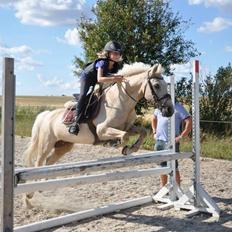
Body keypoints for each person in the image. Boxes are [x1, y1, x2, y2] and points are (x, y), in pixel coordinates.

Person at [69, 41, 125, 135]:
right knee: (83, 95)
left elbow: (109, 77)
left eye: (118, 53)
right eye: (115, 53)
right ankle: (76, 123)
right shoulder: (102, 62)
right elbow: (100, 78)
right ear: (108, 53)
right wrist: (115, 78)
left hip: (98, 78)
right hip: (87, 77)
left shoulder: (115, 65)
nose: (117, 55)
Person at [151, 99, 192, 187]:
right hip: (159, 142)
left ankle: (177, 190)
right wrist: (154, 132)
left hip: (172, 143)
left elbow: (189, 121)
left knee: (174, 167)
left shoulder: (178, 106)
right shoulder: (160, 106)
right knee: (162, 167)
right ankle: (163, 188)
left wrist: (181, 136)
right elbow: (154, 118)